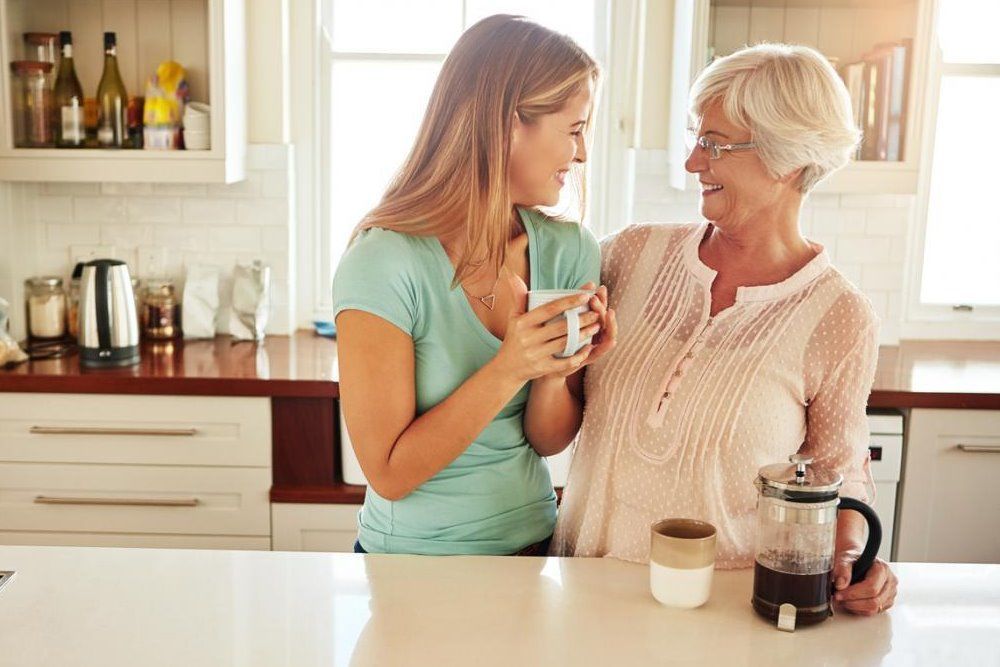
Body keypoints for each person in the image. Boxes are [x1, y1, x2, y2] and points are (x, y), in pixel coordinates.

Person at [553, 43, 897, 615]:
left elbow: (837, 474)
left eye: (714, 144)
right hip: (584, 595)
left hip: (725, 612)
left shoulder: (839, 315)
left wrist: (855, 561)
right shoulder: (628, 255)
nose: (692, 161)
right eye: (696, 138)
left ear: (787, 157)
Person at [333, 15, 617, 556]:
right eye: (575, 130)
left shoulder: (570, 249)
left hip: (533, 546)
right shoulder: (384, 262)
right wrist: (510, 364)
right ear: (510, 124)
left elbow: (548, 438)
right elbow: (390, 474)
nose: (581, 154)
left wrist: (555, 371)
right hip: (414, 563)